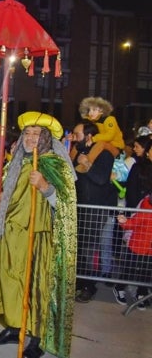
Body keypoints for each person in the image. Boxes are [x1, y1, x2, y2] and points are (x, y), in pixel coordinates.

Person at [0, 112, 77, 358]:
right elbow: (5, 195)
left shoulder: (54, 164)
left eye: (37, 134)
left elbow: (67, 207)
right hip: (11, 236)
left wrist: (46, 188)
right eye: (28, 133)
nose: (31, 138)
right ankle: (15, 327)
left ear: (46, 138)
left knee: (36, 287)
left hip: (39, 238)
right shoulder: (15, 163)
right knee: (11, 283)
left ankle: (36, 337)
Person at [71, 121, 118, 303]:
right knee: (79, 248)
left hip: (97, 211)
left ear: (89, 136)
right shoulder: (77, 153)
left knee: (90, 250)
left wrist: (87, 164)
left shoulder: (104, 154)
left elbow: (100, 179)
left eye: (77, 134)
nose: (75, 138)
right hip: (80, 208)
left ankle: (89, 286)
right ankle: (80, 281)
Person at [116, 192, 152, 309]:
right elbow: (132, 223)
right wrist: (124, 222)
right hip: (137, 247)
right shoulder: (145, 210)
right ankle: (120, 287)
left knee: (146, 272)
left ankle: (141, 293)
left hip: (149, 250)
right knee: (129, 269)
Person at [75, 97, 124, 172]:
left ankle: (87, 165)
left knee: (101, 144)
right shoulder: (94, 120)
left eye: (94, 110)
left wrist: (93, 139)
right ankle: (69, 162)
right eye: (89, 110)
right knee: (79, 144)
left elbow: (109, 136)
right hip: (103, 146)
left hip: (115, 147)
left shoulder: (109, 119)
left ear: (101, 110)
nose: (91, 113)